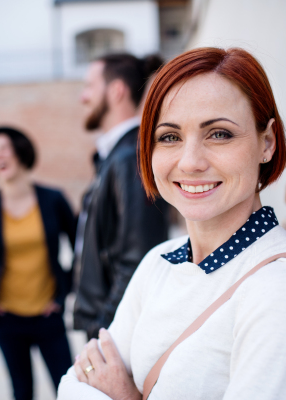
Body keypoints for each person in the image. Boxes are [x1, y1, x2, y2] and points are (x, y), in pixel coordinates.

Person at [58, 47, 286, 399]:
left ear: (267, 142)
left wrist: (125, 396)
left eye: (219, 133)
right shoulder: (160, 261)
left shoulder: (285, 288)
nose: (190, 163)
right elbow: (75, 384)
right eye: (170, 137)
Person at [0, 126, 75, 400]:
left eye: (3, 148)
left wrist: (65, 287)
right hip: (6, 318)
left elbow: (81, 248)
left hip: (48, 314)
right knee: (22, 392)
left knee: (68, 388)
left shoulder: (53, 199)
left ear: (20, 152)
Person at [74, 53, 169, 340]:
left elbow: (137, 258)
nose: (83, 97)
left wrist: (102, 328)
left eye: (90, 86)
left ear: (116, 91)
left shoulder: (130, 158)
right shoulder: (117, 155)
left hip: (114, 330)